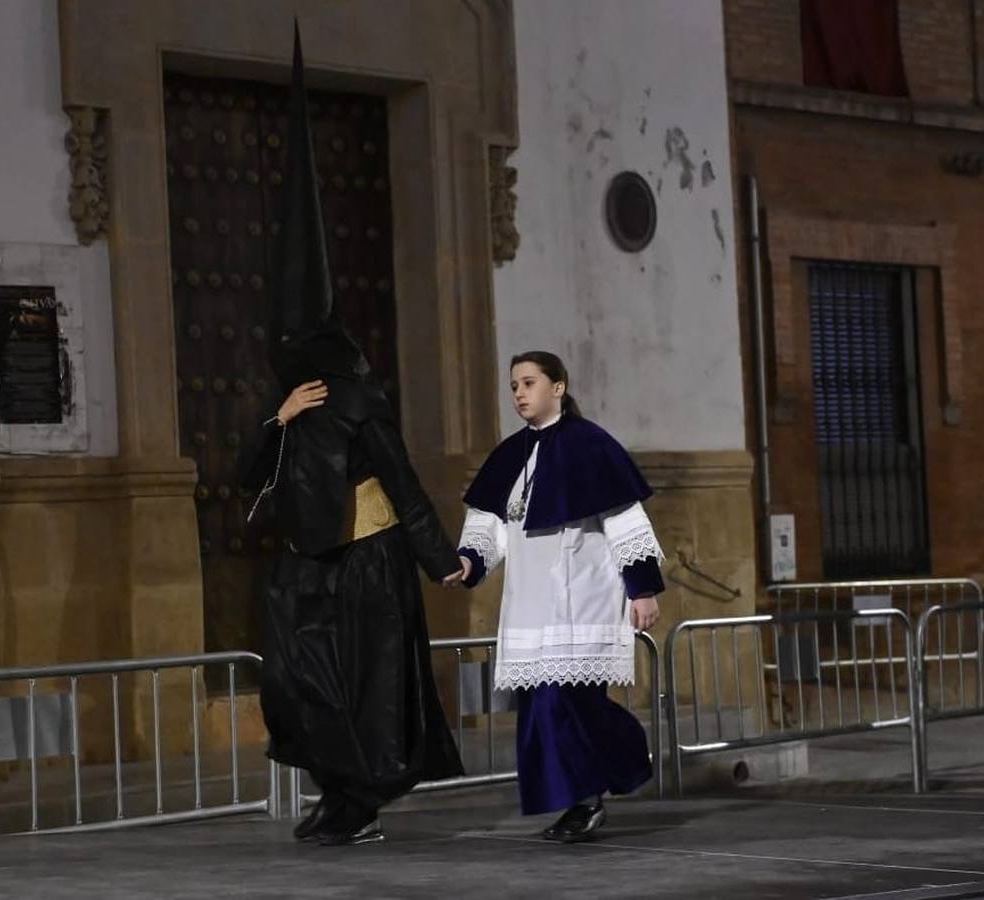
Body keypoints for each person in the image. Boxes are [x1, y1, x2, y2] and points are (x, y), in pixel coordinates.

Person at [238, 26, 464, 847]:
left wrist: (442, 559)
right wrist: (279, 419)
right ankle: (335, 791)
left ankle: (359, 801)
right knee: (299, 688)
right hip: (305, 572)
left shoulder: (361, 399)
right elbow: (244, 474)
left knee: (366, 692)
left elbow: (401, 481)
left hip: (366, 567)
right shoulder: (289, 403)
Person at [451, 351, 665, 842]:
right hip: (529, 604)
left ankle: (593, 793)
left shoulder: (591, 446)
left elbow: (624, 523)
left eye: (528, 383)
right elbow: (490, 527)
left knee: (565, 704)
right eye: (513, 386)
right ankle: (595, 786)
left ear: (559, 387)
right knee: (544, 709)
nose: (519, 394)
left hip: (581, 599)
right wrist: (469, 561)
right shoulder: (509, 455)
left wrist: (643, 589)